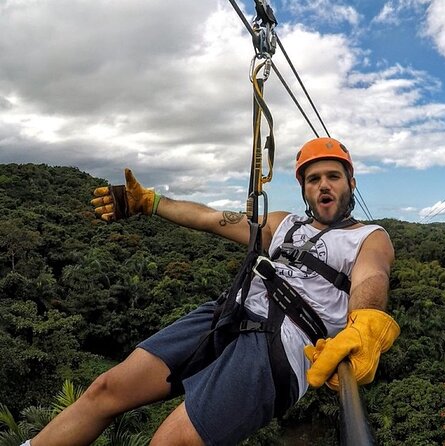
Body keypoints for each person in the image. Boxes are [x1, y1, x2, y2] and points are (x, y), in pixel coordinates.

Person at [24, 137, 399, 446]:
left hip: (285, 342)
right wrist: (151, 203)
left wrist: (363, 323)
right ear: (304, 188)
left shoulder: (369, 237)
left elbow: (372, 278)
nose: (323, 185)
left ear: (350, 183)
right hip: (227, 312)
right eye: (313, 178)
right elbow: (210, 219)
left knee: (170, 442)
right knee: (106, 390)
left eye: (333, 176)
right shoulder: (281, 223)